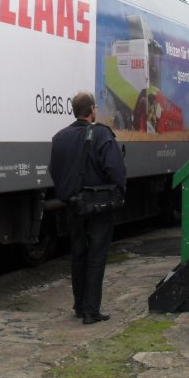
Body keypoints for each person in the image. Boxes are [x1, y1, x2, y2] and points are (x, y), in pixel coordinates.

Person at [49, 91, 127, 324]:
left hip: (73, 206)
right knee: (96, 255)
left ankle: (79, 304)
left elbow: (55, 170)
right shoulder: (102, 134)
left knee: (78, 254)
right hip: (98, 207)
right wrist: (119, 191)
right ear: (92, 109)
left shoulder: (59, 137)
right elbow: (115, 169)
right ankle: (91, 311)